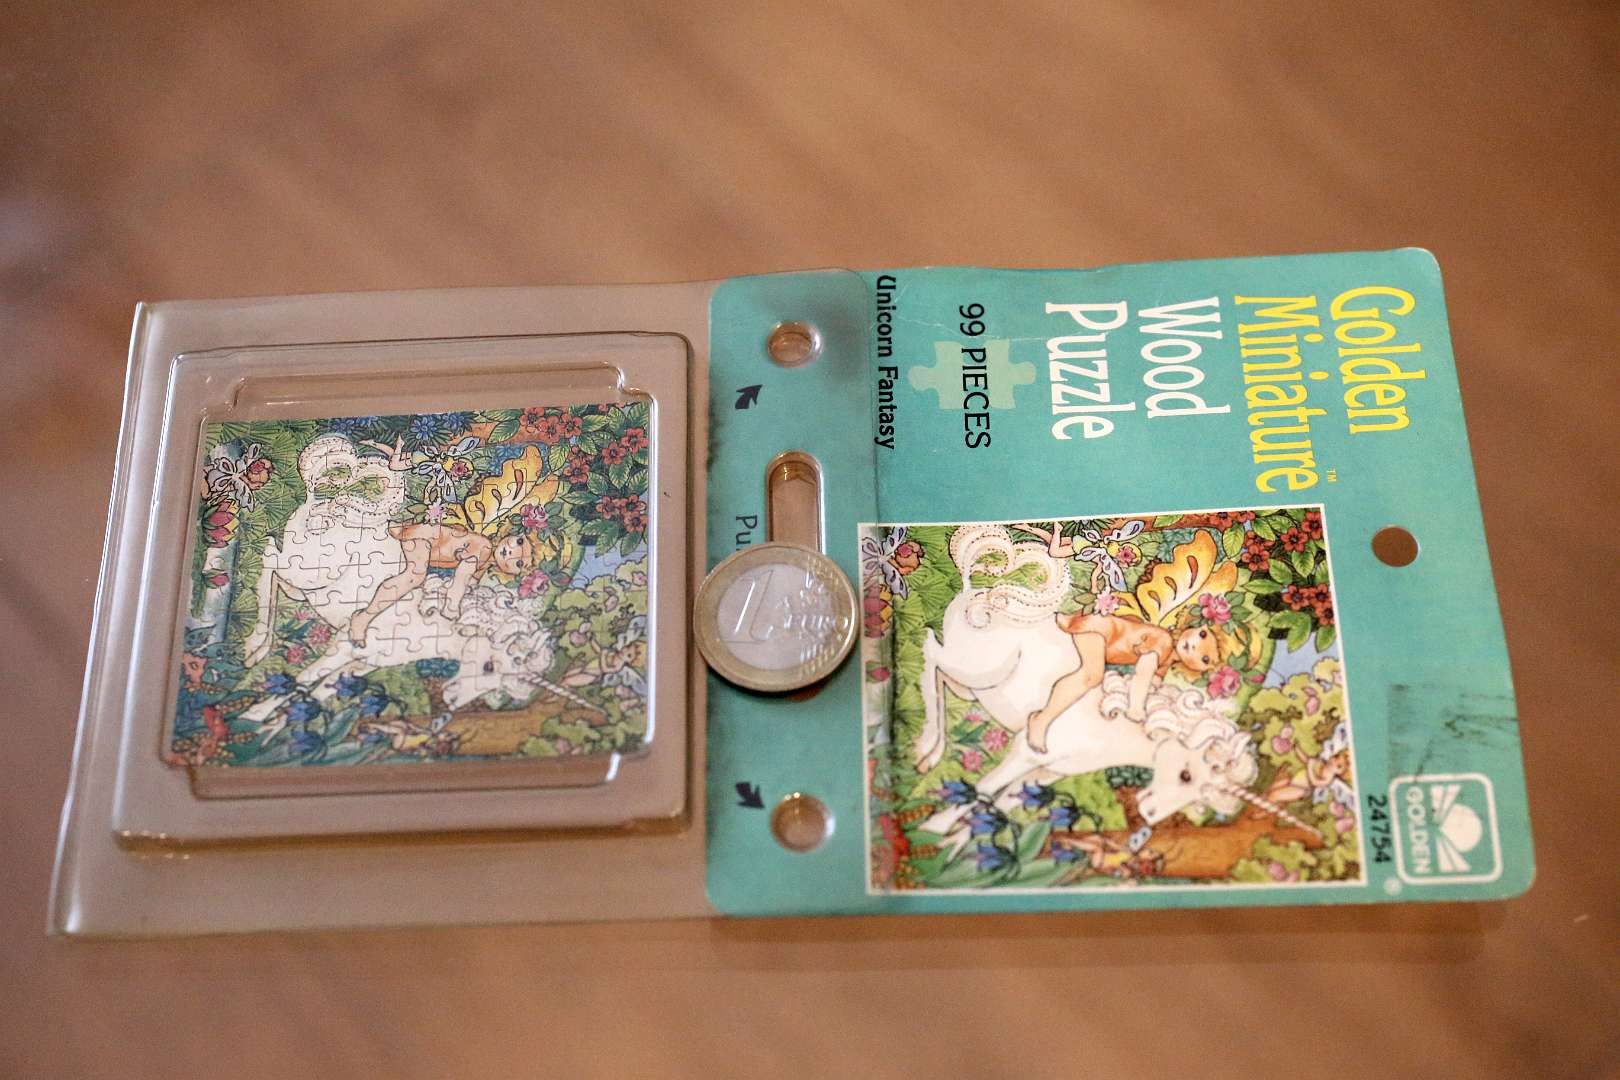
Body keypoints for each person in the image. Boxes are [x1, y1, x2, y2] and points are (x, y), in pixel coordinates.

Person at [349, 524, 536, 646]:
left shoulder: (484, 564)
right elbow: (461, 578)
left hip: (430, 548)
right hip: (425, 537)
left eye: (520, 562)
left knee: (419, 578)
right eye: (519, 542)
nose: (512, 552)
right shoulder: (484, 546)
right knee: (414, 576)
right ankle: (362, 618)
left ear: (515, 574)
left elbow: (468, 585)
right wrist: (452, 607)